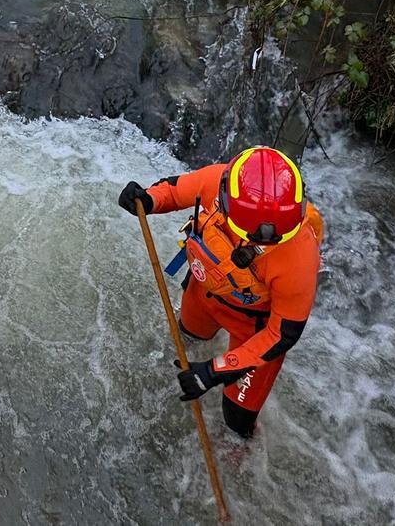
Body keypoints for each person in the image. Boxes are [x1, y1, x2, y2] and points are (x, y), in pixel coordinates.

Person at [117, 146, 324, 438]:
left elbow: (281, 334)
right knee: (186, 339)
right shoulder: (219, 181)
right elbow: (175, 192)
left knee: (236, 421)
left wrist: (216, 371)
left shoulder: (298, 256)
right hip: (204, 295)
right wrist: (148, 199)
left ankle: (239, 455)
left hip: (253, 329)